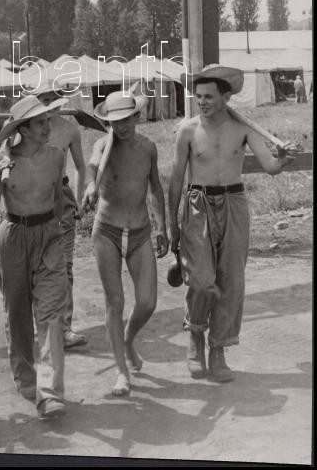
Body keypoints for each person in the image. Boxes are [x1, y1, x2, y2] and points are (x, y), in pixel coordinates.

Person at [168, 65, 293, 383]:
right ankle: (195, 336)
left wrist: (282, 159)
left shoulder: (244, 129)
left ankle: (218, 349)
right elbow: (176, 180)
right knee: (201, 280)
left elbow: (270, 166)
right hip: (198, 205)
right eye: (198, 96)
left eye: (209, 96)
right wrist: (173, 226)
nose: (202, 102)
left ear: (226, 97)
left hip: (234, 203)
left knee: (231, 281)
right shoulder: (187, 130)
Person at [0, 95, 68, 419]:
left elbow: (58, 199)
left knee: (50, 316)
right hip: (13, 236)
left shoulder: (56, 156)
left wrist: (55, 231)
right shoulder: (1, 159)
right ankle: (25, 377)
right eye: (41, 123)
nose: (48, 127)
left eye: (48, 121)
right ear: (24, 129)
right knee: (17, 315)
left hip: (48, 237)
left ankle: (49, 392)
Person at [82, 91, 168, 397]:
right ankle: (121, 371)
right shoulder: (102, 145)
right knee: (115, 302)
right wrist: (90, 186)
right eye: (114, 122)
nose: (120, 127)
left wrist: (162, 227)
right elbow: (92, 167)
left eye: (126, 120)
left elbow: (155, 188)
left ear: (137, 117)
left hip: (140, 230)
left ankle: (129, 340)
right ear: (108, 123)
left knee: (147, 302)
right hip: (107, 230)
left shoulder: (148, 148)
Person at [36, 87, 88, 350]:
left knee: (65, 265)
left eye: (52, 100)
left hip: (63, 198)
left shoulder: (69, 129)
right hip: (34, 199)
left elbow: (80, 166)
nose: (48, 105)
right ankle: (41, 326)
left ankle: (65, 328)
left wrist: (77, 199)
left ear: (59, 102)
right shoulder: (26, 128)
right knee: (37, 265)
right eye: (43, 100)